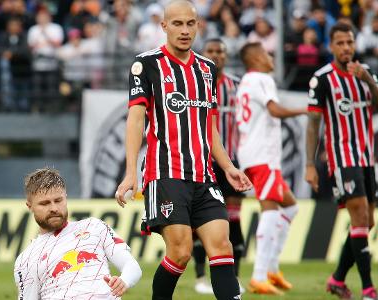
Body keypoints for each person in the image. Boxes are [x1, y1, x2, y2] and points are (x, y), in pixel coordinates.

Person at [115, 1, 252, 299]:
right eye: (177, 24)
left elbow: (209, 127)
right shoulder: (146, 65)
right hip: (165, 175)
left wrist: (228, 167)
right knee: (180, 252)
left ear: (198, 25)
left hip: (203, 176)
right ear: (164, 26)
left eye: (190, 23)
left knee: (222, 247)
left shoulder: (207, 69)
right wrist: (129, 174)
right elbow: (136, 119)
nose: (185, 30)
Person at [305, 22, 378, 300]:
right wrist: (309, 164)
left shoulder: (365, 73)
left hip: (367, 158)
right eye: (340, 43)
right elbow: (312, 124)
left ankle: (337, 279)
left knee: (367, 224)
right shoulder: (322, 78)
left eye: (350, 42)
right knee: (361, 218)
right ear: (331, 46)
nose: (346, 48)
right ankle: (369, 289)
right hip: (342, 159)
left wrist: (366, 79)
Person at [235, 42, 305, 295]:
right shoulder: (261, 78)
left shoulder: (246, 81)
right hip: (261, 154)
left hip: (255, 154)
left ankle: (272, 268)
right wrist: (305, 110)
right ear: (255, 58)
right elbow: (274, 110)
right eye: (266, 53)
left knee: (291, 206)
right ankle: (259, 276)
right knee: (270, 209)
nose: (270, 56)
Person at [14, 168, 142, 299]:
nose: (54, 208)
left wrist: (124, 281)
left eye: (58, 200)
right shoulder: (26, 260)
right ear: (30, 206)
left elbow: (132, 266)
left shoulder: (94, 227)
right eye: (44, 203)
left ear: (66, 198)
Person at [192, 38, 246, 295]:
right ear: (204, 54)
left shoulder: (238, 86)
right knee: (199, 221)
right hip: (202, 161)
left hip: (232, 160)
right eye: (211, 51)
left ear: (226, 56)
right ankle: (201, 277)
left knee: (233, 220)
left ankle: (234, 277)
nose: (216, 56)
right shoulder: (194, 82)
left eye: (220, 52)